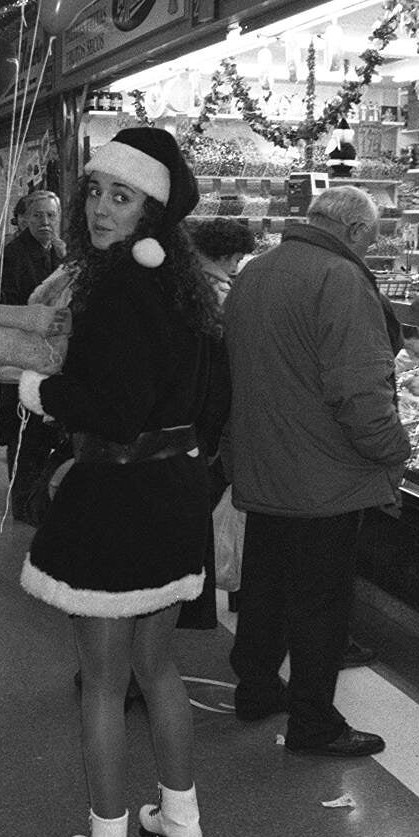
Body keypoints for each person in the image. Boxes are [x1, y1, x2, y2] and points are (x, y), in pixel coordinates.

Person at [16, 128, 218, 837]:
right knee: (157, 669)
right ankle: (182, 824)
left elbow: (116, 413)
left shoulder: (115, 290)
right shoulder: (177, 281)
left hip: (116, 502)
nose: (99, 208)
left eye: (120, 196)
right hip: (173, 497)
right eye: (95, 191)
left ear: (151, 207)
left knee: (102, 684)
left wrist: (38, 389)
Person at [222, 186, 410, 757]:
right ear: (353, 233)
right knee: (319, 605)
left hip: (263, 463)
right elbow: (359, 390)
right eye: (370, 243)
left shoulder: (255, 272)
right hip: (324, 478)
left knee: (266, 589)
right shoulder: (342, 280)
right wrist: (393, 450)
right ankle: (313, 723)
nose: (369, 254)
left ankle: (255, 688)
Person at [175, 218, 253, 631]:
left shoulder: (183, 285)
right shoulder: (220, 292)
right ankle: (198, 608)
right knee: (203, 518)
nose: (240, 265)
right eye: (238, 257)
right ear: (225, 254)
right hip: (210, 426)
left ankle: (195, 605)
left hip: (189, 423)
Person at [0, 191, 68, 518]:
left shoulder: (59, 253)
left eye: (51, 216)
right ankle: (24, 504)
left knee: (43, 430)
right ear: (23, 219)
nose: (46, 222)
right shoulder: (13, 255)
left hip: (52, 355)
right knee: (22, 431)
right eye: (38, 216)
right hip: (23, 355)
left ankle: (37, 500)